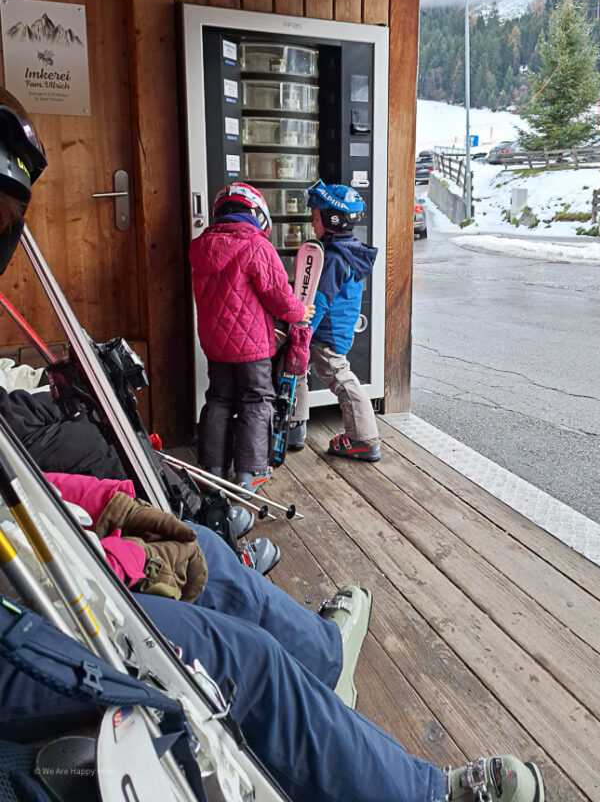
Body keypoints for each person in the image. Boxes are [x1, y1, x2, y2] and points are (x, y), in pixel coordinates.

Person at [0, 87, 545, 802]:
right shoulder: (259, 249)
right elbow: (290, 299)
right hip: (249, 354)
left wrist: (112, 505)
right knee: (253, 419)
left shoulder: (203, 249)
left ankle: (310, 645)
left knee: (216, 443)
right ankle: (253, 486)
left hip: (212, 353)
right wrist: (297, 322)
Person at [189, 182, 315, 494]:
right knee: (256, 401)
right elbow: (278, 296)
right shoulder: (257, 246)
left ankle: (213, 469)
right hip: (252, 347)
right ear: (256, 214)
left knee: (218, 399)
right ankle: (249, 474)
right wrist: (300, 312)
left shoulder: (201, 246)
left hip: (215, 345)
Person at [289, 179, 382, 461]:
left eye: (316, 218)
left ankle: (363, 439)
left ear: (332, 219)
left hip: (325, 333)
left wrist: (301, 334)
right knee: (298, 370)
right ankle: (295, 428)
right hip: (334, 330)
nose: (312, 223)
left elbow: (319, 301)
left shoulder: (332, 259)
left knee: (340, 378)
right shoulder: (346, 250)